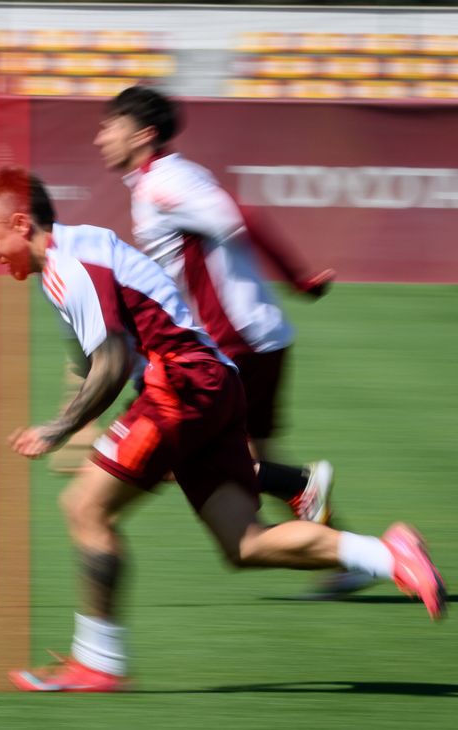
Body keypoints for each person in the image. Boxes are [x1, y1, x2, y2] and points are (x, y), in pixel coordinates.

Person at [0, 167, 446, 693]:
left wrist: (59, 429)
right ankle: (388, 553)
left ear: (20, 222)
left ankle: (98, 662)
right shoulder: (70, 261)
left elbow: (107, 363)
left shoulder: (69, 264)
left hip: (181, 385)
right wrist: (78, 419)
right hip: (214, 383)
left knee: (85, 508)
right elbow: (95, 360)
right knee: (245, 545)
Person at [94, 85, 374, 596]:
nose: (100, 137)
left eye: (111, 125)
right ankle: (348, 555)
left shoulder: (164, 184)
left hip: (230, 345)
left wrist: (299, 277)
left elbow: (241, 217)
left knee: (183, 458)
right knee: (243, 460)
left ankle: (304, 491)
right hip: (255, 338)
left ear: (144, 134)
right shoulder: (172, 177)